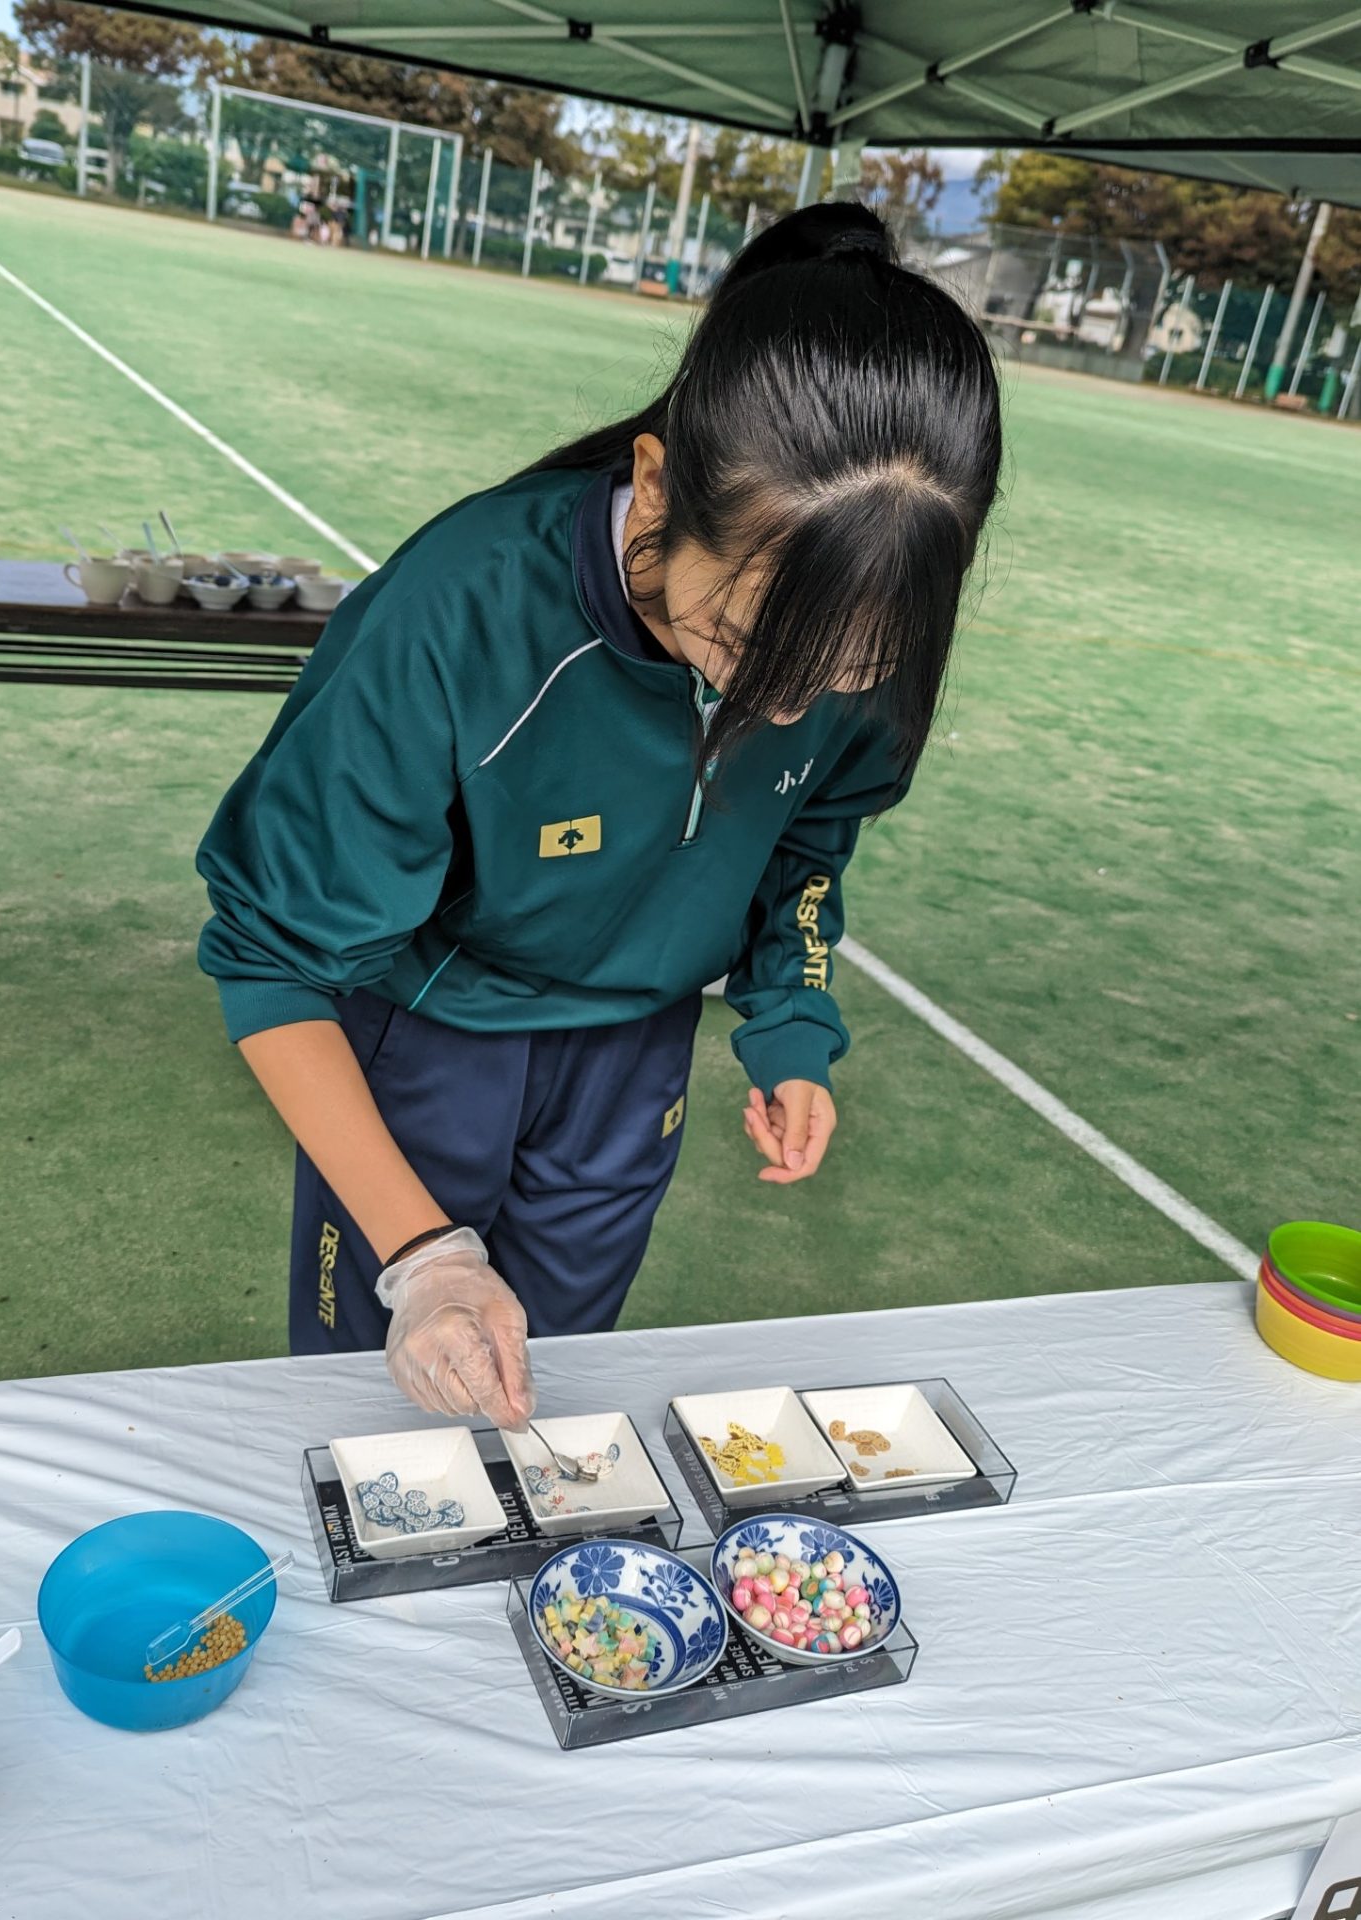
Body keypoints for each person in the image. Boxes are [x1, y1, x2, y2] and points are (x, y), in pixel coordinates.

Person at [195, 202, 1003, 1431]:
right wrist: (422, 1258)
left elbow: (805, 843)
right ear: (656, 481)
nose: (782, 705)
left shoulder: (872, 624)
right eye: (741, 640)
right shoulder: (462, 607)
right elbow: (272, 961)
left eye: (844, 668)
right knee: (383, 1407)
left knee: (555, 1396)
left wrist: (791, 1018)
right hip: (432, 1039)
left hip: (635, 1058)